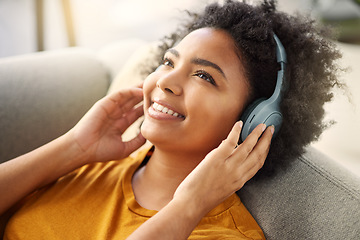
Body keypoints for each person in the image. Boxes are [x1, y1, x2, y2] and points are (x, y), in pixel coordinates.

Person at [0, 0, 343, 239]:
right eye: (168, 62)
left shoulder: (223, 235)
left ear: (255, 121)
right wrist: (74, 147)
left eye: (204, 77)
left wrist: (188, 206)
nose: (165, 81)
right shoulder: (84, 165)